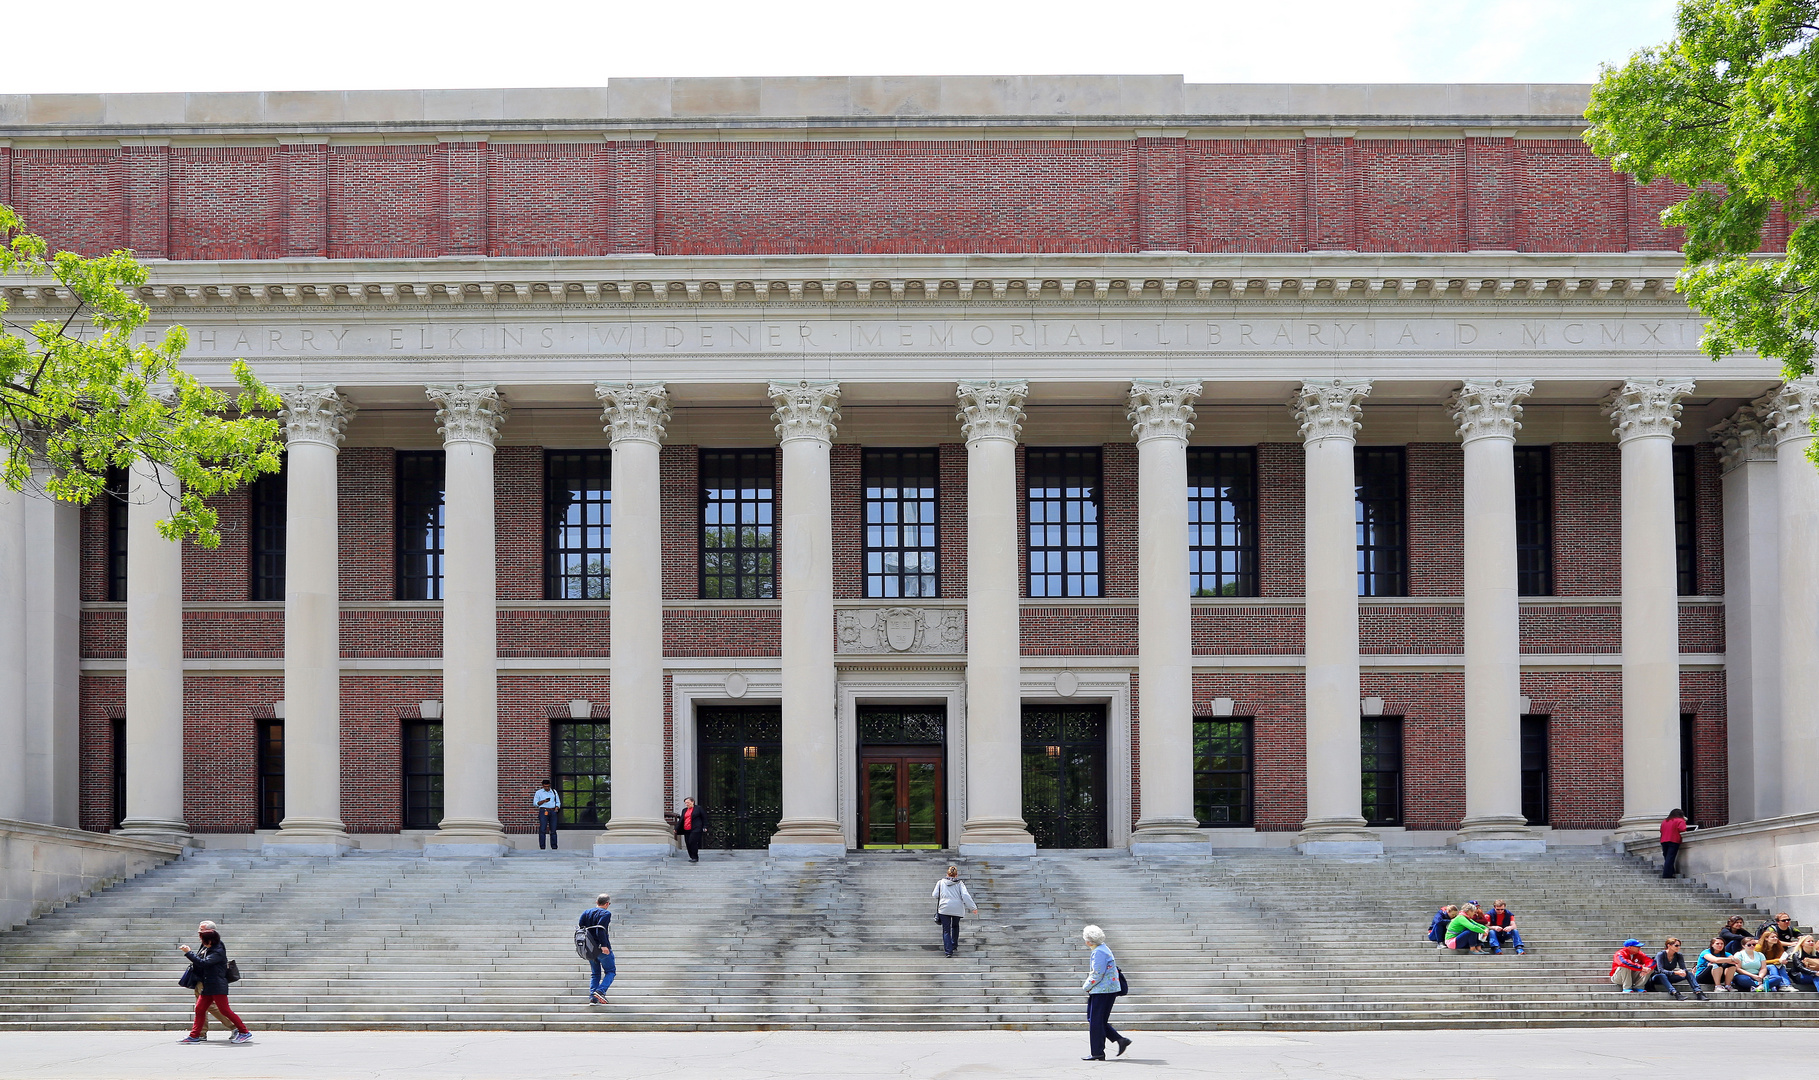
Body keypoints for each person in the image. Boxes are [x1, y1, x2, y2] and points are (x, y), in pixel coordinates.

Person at [177, 923, 251, 1043]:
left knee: (224, 1010)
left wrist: (188, 953)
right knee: (200, 1009)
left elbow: (204, 963)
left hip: (217, 985)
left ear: (210, 939)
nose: (200, 938)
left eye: (202, 935)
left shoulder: (218, 950)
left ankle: (244, 1032)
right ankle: (194, 1035)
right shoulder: (208, 947)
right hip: (208, 984)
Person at [1080, 925, 1129, 1061]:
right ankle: (1119, 1040)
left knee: (1095, 1021)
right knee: (1096, 1019)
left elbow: (1097, 973)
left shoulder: (1099, 952)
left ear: (1089, 940)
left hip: (1102, 990)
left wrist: (1086, 986)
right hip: (1106, 990)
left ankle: (1097, 1052)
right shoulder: (1103, 948)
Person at [932, 865, 979, 958]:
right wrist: (973, 907)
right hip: (957, 908)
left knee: (946, 930)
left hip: (944, 908)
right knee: (955, 926)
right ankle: (954, 944)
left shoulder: (940, 882)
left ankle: (948, 951)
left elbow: (934, 895)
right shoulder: (960, 883)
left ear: (947, 874)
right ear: (956, 875)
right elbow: (965, 896)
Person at [578, 893, 614, 1005]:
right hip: (601, 947)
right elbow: (600, 929)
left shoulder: (586, 912)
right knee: (611, 971)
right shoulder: (606, 913)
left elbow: (581, 926)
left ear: (596, 902)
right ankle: (600, 991)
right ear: (607, 903)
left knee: (595, 973)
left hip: (589, 948)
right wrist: (604, 945)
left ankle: (593, 998)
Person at [675, 797, 705, 863]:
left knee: (692, 841)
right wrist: (676, 828)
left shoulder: (698, 808)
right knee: (688, 843)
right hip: (686, 828)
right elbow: (681, 820)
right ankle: (691, 856)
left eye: (688, 802)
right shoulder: (684, 810)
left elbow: (704, 818)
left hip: (696, 828)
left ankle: (695, 857)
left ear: (692, 802)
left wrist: (705, 826)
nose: (686, 804)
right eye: (685, 803)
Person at [1660, 808, 1688, 878]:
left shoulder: (1665, 821)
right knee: (1670, 857)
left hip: (1664, 840)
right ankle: (1667, 874)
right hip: (1674, 840)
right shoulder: (1680, 820)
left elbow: (1661, 830)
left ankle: (1671, 871)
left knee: (1667, 857)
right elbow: (1682, 829)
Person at [534, 781, 561, 850]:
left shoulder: (554, 792)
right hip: (544, 810)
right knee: (543, 829)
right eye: (545, 786)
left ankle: (554, 847)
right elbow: (535, 803)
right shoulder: (539, 792)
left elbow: (558, 802)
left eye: (548, 786)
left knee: (553, 830)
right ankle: (542, 847)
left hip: (552, 811)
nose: (547, 788)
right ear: (543, 786)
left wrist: (557, 807)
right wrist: (543, 801)